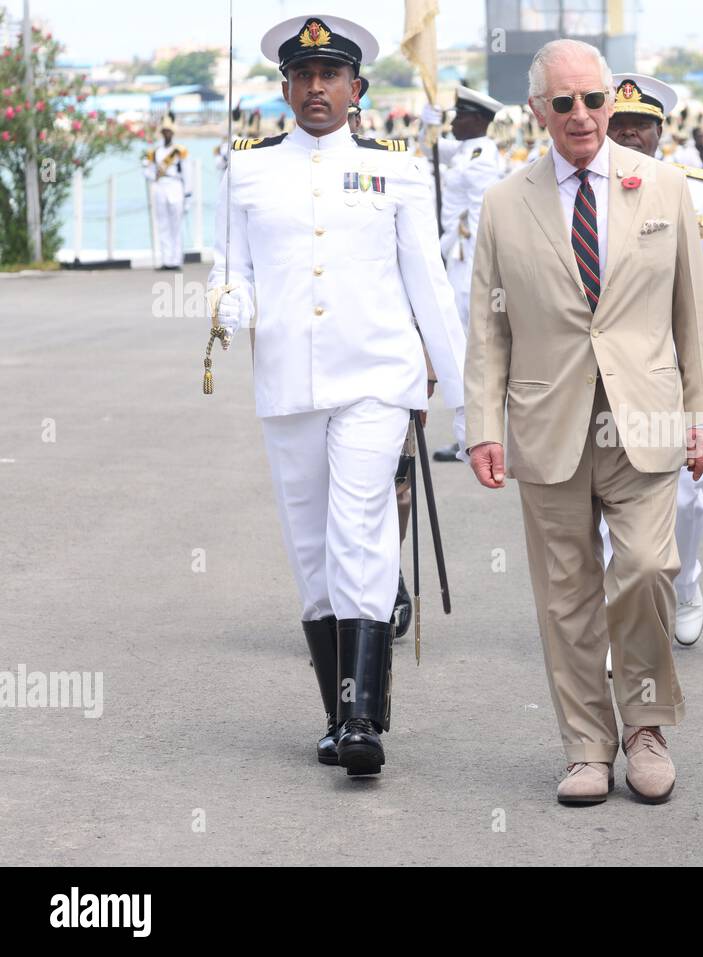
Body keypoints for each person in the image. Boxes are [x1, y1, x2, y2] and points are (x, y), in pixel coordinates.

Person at [463, 39, 703, 806]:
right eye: (564, 102)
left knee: (645, 568)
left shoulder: (666, 187)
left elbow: (692, 311)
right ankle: (586, 746)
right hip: (548, 421)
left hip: (644, 418)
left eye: (593, 99)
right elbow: (487, 327)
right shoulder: (504, 201)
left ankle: (645, 726)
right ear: (538, 111)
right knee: (565, 593)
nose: (581, 115)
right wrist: (482, 424)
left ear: (611, 103)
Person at [209, 14, 466, 777]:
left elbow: (432, 290)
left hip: (375, 380)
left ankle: (363, 719)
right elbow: (233, 266)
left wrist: (470, 406)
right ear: (286, 86)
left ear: (357, 89)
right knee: (311, 548)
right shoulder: (247, 169)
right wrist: (228, 300)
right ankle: (335, 712)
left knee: (359, 522)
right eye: (302, 76)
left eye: (330, 77)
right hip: (289, 383)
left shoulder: (398, 169)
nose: (315, 88)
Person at [607, 72, 703, 646]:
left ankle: (685, 580)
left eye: (642, 125)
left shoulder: (690, 188)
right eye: (622, 124)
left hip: (673, 359)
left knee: (686, 494)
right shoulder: (581, 187)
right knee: (605, 485)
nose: (631, 134)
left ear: (661, 130)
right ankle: (617, 613)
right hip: (610, 358)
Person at [430, 85, 507, 463]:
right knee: (462, 346)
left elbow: (482, 216)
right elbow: (431, 149)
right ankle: (468, 435)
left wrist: (484, 267)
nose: (453, 123)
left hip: (472, 262)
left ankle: (471, 436)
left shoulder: (482, 156)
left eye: (459, 116)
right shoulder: (466, 149)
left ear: (477, 120)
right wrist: (426, 126)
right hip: (458, 259)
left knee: (467, 348)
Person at [142, 119, 191, 271]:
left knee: (175, 225)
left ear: (172, 133)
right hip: (160, 186)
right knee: (162, 224)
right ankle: (166, 259)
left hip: (175, 186)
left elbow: (187, 173)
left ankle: (176, 260)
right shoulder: (155, 152)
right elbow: (148, 172)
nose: (167, 134)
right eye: (164, 131)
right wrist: (150, 173)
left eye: (169, 131)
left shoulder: (179, 151)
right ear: (162, 133)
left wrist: (188, 195)